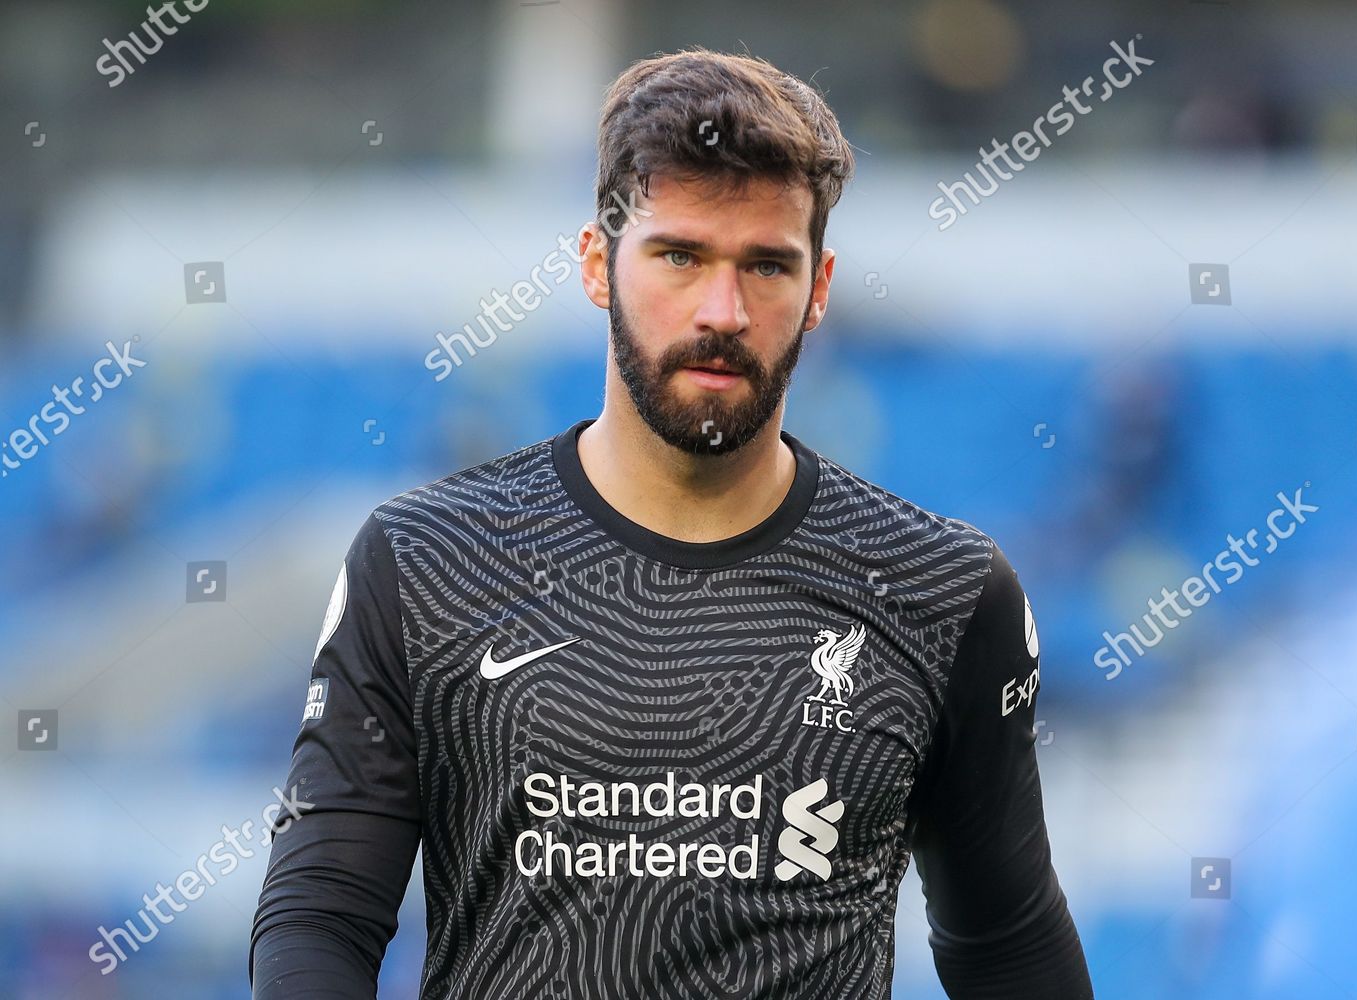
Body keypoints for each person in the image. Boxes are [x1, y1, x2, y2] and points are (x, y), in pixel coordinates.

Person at [250, 46, 1092, 999]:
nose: (723, 311)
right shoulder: (424, 560)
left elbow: (1008, 944)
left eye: (768, 265)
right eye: (680, 255)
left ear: (818, 290)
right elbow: (321, 914)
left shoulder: (943, 590)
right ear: (597, 265)